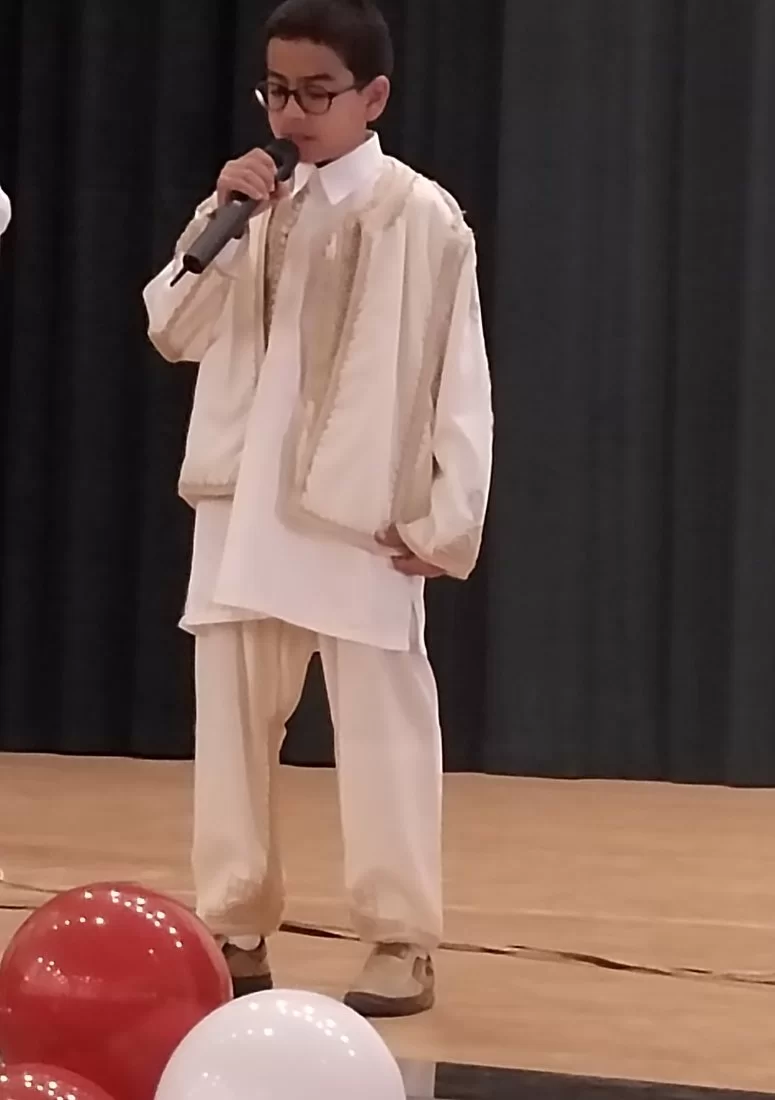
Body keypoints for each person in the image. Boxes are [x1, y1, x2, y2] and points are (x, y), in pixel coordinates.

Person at [143, 0, 492, 1018]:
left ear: (372, 96)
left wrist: (447, 518)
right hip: (239, 505)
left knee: (384, 732)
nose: (290, 113)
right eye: (276, 90)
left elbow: (459, 377)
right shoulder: (244, 204)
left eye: (315, 92)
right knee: (232, 731)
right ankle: (235, 928)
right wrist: (220, 221)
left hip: (360, 516)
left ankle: (399, 938)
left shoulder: (420, 215)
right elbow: (169, 326)